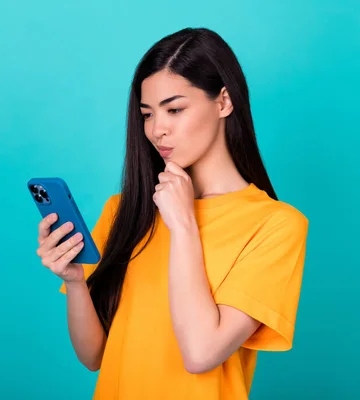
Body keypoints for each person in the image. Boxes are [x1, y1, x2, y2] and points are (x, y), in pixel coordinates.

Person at [35, 27, 309, 399]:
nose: (157, 130)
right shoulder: (124, 211)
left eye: (175, 109)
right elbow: (94, 355)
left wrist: (183, 225)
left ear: (224, 101)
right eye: (147, 114)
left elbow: (201, 353)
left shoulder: (274, 226)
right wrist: (74, 281)